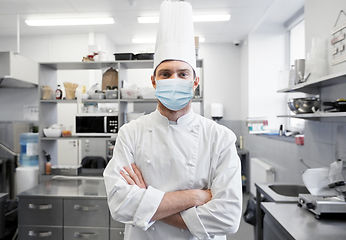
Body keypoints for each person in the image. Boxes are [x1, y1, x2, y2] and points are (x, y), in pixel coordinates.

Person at [103, 1, 242, 240]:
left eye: (183, 73)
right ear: (154, 82)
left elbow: (228, 218)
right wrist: (194, 197)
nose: (174, 79)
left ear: (194, 82)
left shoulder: (219, 137)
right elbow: (118, 204)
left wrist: (146, 201)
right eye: (165, 74)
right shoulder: (131, 133)